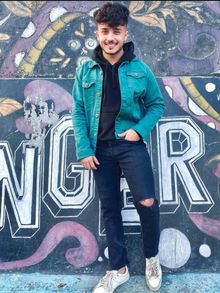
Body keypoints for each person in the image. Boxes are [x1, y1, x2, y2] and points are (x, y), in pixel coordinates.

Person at [72, 2, 165, 292]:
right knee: (110, 209)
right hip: (100, 150)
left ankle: (152, 257)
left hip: (129, 145)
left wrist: (139, 131)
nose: (110, 37)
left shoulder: (140, 69)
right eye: (104, 31)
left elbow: (156, 104)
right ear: (97, 34)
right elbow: (78, 110)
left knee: (147, 202)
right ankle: (119, 269)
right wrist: (84, 149)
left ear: (125, 33)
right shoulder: (85, 70)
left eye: (116, 31)